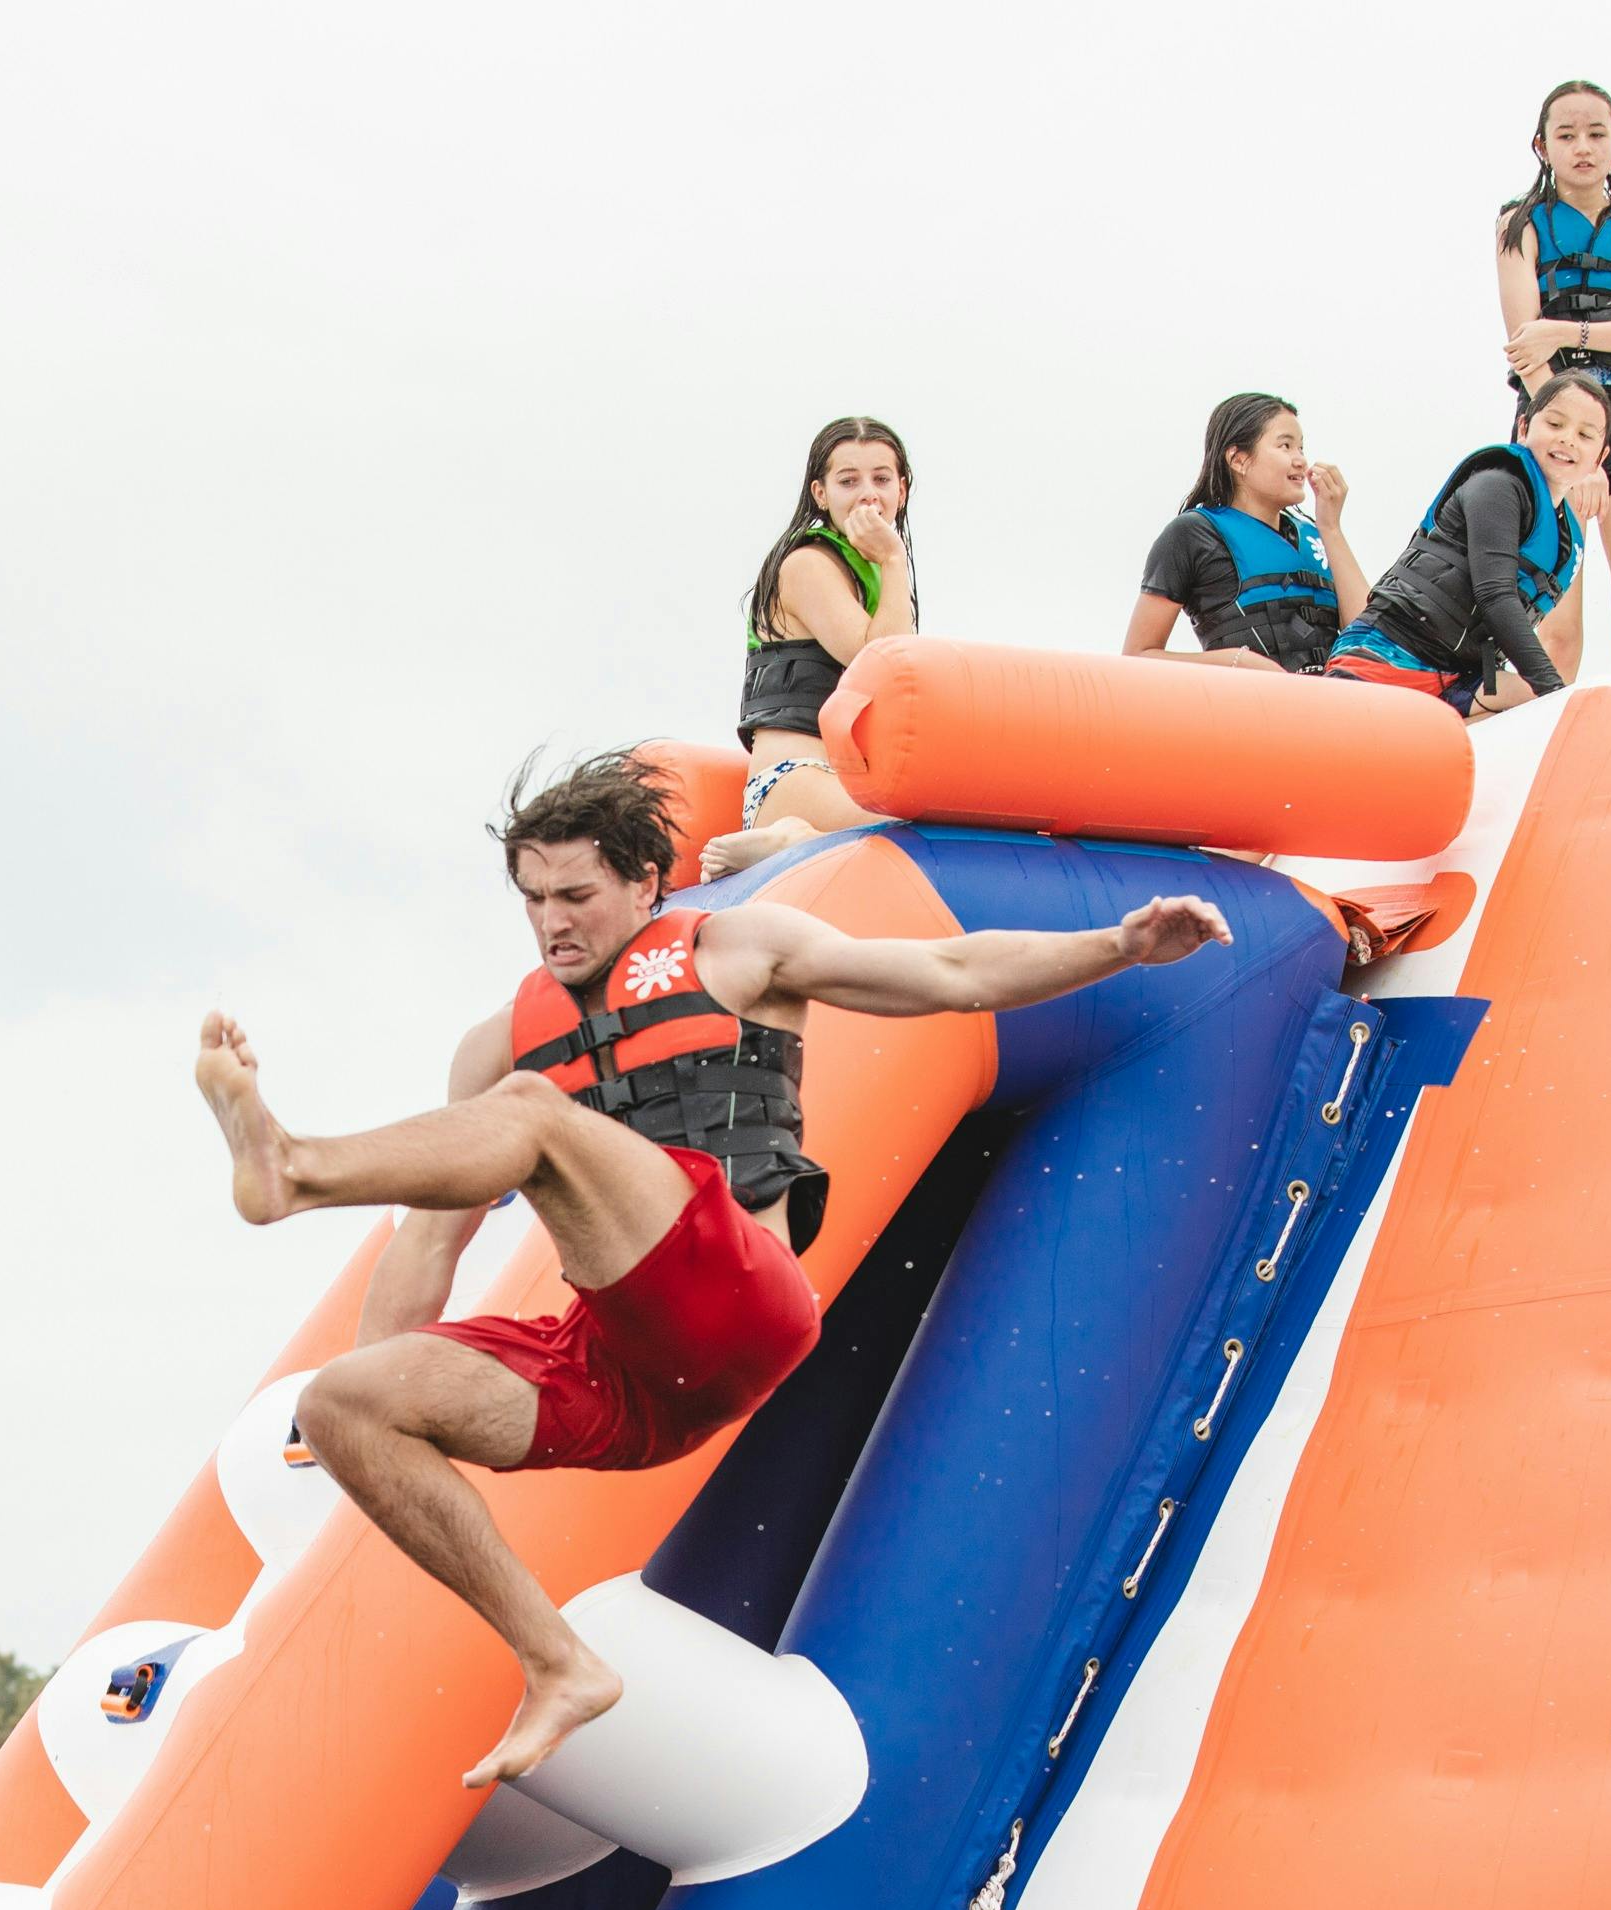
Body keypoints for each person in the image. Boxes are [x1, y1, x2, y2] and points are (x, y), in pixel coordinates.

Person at [190, 753, 1232, 1787]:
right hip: (632, 1378)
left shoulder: (739, 951)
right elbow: (426, 1252)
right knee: (344, 1401)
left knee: (529, 1114)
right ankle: (555, 1659)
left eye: (577, 896)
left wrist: (1120, 944)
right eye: (533, 899)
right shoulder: (500, 1045)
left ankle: (298, 1168)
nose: (553, 922)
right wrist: (379, 1469)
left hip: (743, 1304)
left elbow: (951, 977)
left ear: (647, 883)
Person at [1494, 80, 1611, 667]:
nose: (1583, 146)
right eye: (1566, 134)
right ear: (1541, 146)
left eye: (1597, 134)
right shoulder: (1517, 224)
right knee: (1558, 631)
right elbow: (1525, 346)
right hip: (1551, 419)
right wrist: (1573, 437)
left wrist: (1569, 332)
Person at [705, 418, 918, 880]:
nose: (868, 494)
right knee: (919, 830)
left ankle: (802, 838)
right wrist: (894, 558)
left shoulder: (878, 585)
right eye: (848, 481)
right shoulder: (807, 565)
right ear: (821, 494)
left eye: (881, 479)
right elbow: (885, 667)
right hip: (791, 780)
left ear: (901, 490)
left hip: (848, 787)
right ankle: (791, 838)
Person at [1322, 375, 1609, 716]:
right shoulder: (1497, 485)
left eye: (1585, 435)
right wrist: (1555, 692)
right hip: (1387, 655)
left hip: (1456, 677)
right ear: (1523, 427)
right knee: (1545, 696)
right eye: (1555, 423)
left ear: (1599, 457)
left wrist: (1549, 696)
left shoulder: (1562, 533)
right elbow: (1495, 595)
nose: (1567, 439)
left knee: (1529, 702)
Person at [1122, 394, 1374, 674]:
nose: (1301, 460)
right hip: (1247, 710)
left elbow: (1369, 643)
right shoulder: (1192, 534)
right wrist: (1235, 662)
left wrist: (1331, 528)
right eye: (1286, 445)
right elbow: (1137, 655)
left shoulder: (1318, 536)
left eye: (1301, 448)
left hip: (1329, 709)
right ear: (1239, 460)